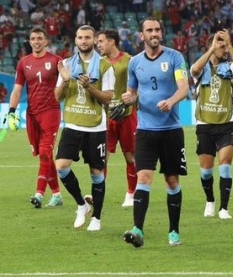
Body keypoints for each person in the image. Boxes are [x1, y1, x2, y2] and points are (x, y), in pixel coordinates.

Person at [121, 19, 191, 248]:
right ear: (142, 35)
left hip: (170, 131)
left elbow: (184, 87)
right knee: (143, 177)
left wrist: (170, 101)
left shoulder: (174, 57)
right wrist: (129, 99)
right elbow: (132, 92)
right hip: (145, 131)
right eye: (149, 30)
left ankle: (173, 231)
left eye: (157, 30)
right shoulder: (134, 63)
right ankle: (137, 229)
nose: (154, 33)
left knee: (171, 181)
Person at [54, 26, 115, 231]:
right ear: (76, 40)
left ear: (95, 40)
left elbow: (108, 97)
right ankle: (82, 204)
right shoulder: (65, 64)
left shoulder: (105, 66)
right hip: (72, 124)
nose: (83, 41)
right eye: (80, 37)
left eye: (87, 37)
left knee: (97, 173)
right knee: (61, 166)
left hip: (96, 126)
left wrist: (89, 87)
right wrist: (63, 80)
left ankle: (96, 218)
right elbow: (57, 97)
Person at [190, 30, 233, 220]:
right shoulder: (202, 69)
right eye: (221, 47)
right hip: (205, 125)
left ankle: (224, 208)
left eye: (225, 47)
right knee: (206, 171)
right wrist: (213, 48)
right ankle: (210, 200)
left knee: (225, 165)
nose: (224, 50)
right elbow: (194, 70)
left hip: (226, 125)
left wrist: (229, 45)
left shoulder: (229, 67)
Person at [6, 28, 64, 208]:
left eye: (40, 38)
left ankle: (39, 193)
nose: (36, 41)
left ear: (46, 41)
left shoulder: (56, 61)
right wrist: (12, 111)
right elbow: (17, 89)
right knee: (43, 155)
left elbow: (66, 85)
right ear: (30, 42)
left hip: (51, 112)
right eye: (33, 39)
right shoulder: (24, 63)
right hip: (32, 115)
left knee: (46, 152)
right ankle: (57, 194)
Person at [96, 29, 138, 208]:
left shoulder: (129, 60)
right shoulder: (97, 63)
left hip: (126, 115)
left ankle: (131, 193)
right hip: (105, 117)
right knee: (101, 157)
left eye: (101, 41)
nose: (98, 45)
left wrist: (130, 100)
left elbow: (138, 85)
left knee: (130, 156)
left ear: (112, 42)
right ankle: (99, 194)